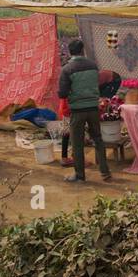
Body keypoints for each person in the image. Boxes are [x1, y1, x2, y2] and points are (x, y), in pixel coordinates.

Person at [58, 40, 112, 183]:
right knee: (98, 140)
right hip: (93, 109)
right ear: (82, 51)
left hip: (77, 111)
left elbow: (62, 94)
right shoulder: (93, 66)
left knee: (77, 143)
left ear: (70, 52)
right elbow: (97, 85)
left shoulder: (67, 70)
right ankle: (105, 172)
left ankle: (80, 175)